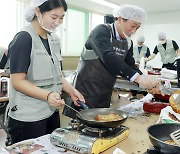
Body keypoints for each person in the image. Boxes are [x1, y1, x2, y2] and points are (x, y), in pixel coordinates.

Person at [63, 4, 163, 118]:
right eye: (133, 25)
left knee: (101, 123)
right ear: (120, 19)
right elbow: (108, 56)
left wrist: (146, 81)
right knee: (80, 126)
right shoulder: (101, 31)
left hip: (105, 92)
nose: (134, 31)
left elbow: (129, 66)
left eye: (138, 27)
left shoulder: (128, 43)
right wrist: (139, 78)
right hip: (84, 92)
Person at [7, 0, 84, 144]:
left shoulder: (54, 40)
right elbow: (17, 81)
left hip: (51, 112)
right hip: (28, 117)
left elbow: (57, 76)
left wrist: (71, 90)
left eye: (61, 18)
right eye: (53, 17)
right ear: (38, 12)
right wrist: (47, 95)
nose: (57, 22)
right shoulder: (24, 38)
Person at [130, 36, 150, 100]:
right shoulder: (133, 48)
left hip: (142, 67)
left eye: (141, 42)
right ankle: (134, 95)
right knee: (134, 80)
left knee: (143, 81)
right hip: (134, 66)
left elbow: (148, 57)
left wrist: (144, 60)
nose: (140, 43)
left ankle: (144, 95)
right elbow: (129, 56)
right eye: (139, 42)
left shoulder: (146, 48)